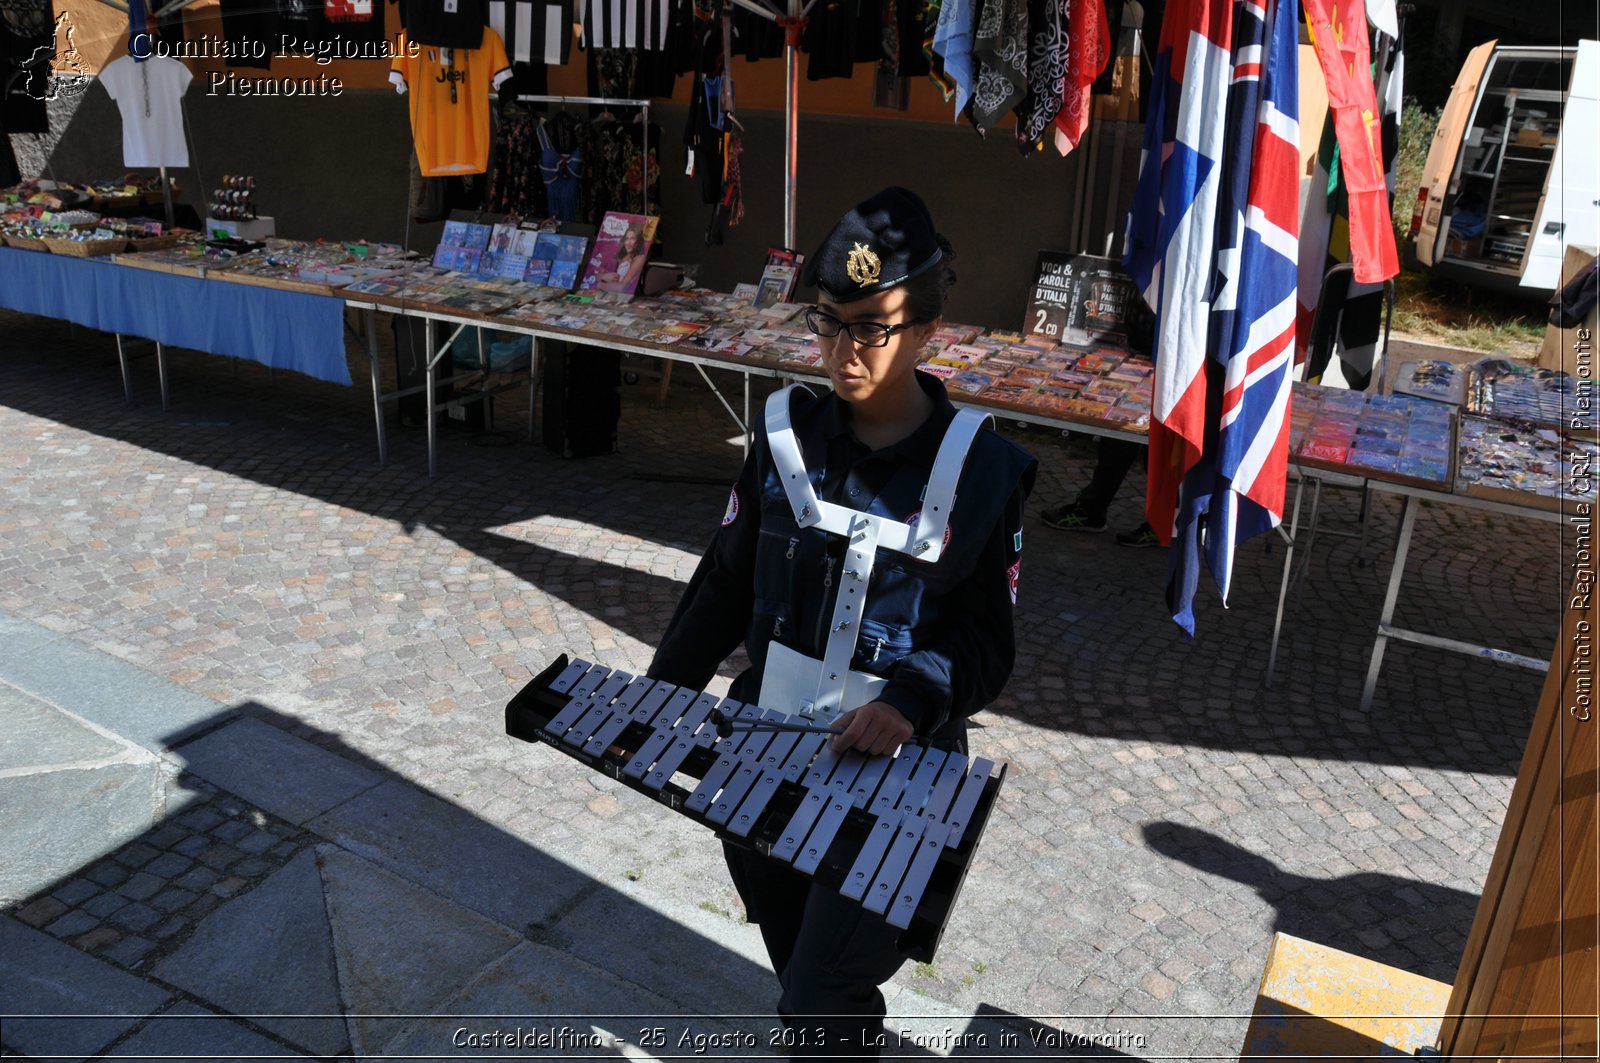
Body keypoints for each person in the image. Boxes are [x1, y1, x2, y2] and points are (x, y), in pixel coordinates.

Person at [648, 186, 1036, 1058]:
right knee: (806, 974)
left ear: (928, 327)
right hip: (767, 746)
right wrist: (655, 700)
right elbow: (722, 583)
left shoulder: (984, 470)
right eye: (827, 323)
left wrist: (907, 700)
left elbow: (984, 641)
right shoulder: (784, 433)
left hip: (899, 773)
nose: (842, 350)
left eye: (871, 327)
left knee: (818, 991)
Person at [1039, 292, 1159, 546]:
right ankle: (1093, 508)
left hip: (1175, 356)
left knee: (1160, 446)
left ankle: (1164, 523)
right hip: (1142, 349)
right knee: (1118, 432)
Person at [597, 221, 648, 292]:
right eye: (627, 239)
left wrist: (600, 284)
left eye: (633, 238)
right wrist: (604, 276)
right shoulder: (620, 257)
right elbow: (597, 275)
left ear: (638, 241)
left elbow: (620, 287)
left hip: (622, 295)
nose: (628, 243)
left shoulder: (640, 258)